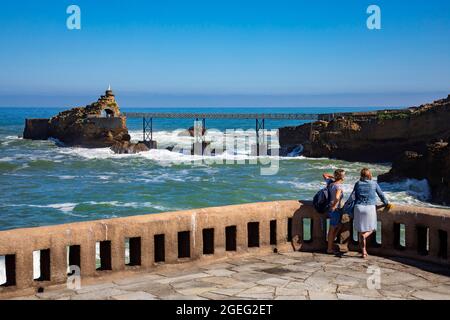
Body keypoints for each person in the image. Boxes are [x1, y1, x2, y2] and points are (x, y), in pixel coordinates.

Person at [352, 168, 392, 258]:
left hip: (358, 207)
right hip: (370, 208)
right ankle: (365, 235)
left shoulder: (357, 184)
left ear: (361, 175)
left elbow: (353, 196)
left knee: (361, 230)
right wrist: (386, 203)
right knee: (372, 228)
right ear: (369, 175)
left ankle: (364, 252)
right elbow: (381, 195)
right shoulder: (374, 183)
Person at [322, 169, 345, 254]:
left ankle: (330, 244)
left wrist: (334, 177)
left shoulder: (330, 182)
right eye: (343, 175)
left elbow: (324, 174)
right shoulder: (338, 186)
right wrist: (335, 205)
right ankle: (329, 248)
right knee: (332, 229)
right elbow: (337, 197)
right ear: (341, 177)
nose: (344, 176)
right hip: (335, 209)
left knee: (338, 226)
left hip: (329, 208)